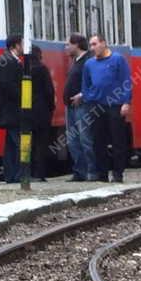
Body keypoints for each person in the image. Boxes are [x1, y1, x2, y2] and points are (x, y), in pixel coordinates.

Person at [82, 33, 132, 182]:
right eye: (91, 45)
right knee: (98, 141)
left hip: (115, 105)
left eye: (94, 44)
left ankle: (118, 173)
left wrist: (126, 101)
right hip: (96, 105)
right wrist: (88, 98)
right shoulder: (89, 64)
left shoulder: (117, 59)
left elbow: (126, 81)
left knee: (118, 140)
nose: (92, 48)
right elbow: (86, 84)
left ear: (103, 43)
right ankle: (101, 173)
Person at [0, 34, 24, 184]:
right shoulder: (8, 62)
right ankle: (18, 174)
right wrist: (24, 97)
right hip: (11, 111)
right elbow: (8, 85)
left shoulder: (7, 60)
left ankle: (12, 174)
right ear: (15, 45)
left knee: (11, 144)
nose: (23, 47)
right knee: (17, 143)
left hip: (9, 111)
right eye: (22, 44)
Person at [63, 34, 95, 181]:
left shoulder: (88, 61)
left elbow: (94, 82)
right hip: (70, 106)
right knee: (73, 139)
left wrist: (82, 95)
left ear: (76, 45)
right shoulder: (76, 61)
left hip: (82, 105)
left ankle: (91, 171)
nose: (66, 48)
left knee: (85, 139)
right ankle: (79, 171)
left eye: (68, 44)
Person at [29, 50, 55, 181]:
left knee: (30, 143)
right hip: (42, 110)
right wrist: (51, 107)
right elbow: (49, 90)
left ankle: (29, 171)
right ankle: (40, 173)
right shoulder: (42, 69)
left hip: (27, 111)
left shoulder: (24, 69)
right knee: (41, 143)